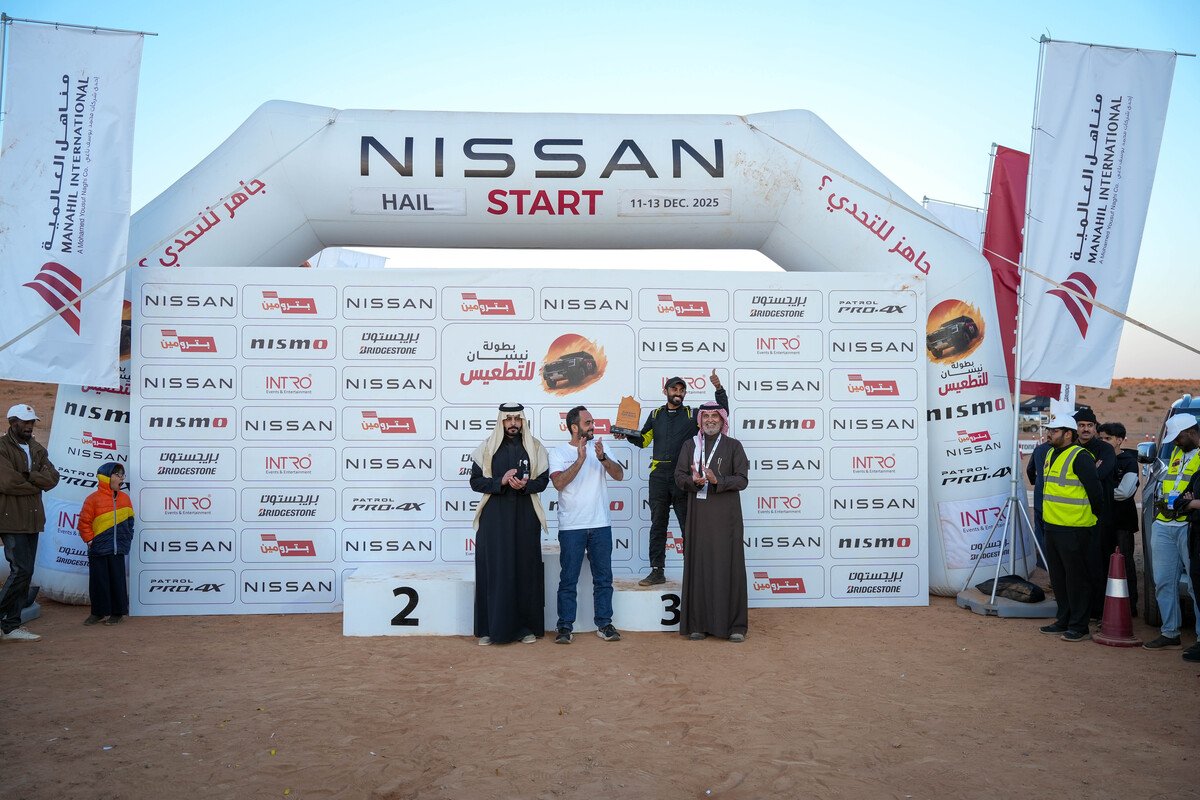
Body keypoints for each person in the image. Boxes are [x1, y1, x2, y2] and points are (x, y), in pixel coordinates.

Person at [625, 370, 728, 586]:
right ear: (666, 391)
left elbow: (720, 413)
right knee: (658, 525)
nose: (678, 393)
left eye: (682, 390)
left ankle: (693, 573)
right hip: (659, 477)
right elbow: (643, 441)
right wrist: (625, 433)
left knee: (688, 527)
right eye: (674, 389)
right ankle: (657, 571)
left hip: (683, 478)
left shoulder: (693, 415)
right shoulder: (655, 415)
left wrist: (719, 389)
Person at [469, 402, 550, 645]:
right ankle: (489, 629)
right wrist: (499, 481)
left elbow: (543, 481)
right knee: (495, 570)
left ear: (523, 421)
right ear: (501, 421)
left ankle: (525, 629)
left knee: (525, 570)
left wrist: (526, 485)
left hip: (526, 516)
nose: (513, 423)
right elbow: (475, 482)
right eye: (508, 419)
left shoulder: (535, 447)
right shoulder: (487, 447)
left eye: (517, 419)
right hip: (494, 518)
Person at [673, 402, 749, 642]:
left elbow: (742, 480)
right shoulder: (690, 446)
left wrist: (718, 480)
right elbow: (679, 476)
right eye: (705, 417)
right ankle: (698, 624)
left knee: (729, 567)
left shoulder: (734, 446)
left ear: (722, 420)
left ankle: (735, 626)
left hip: (727, 518)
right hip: (699, 516)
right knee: (700, 565)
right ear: (700, 421)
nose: (710, 420)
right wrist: (693, 481)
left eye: (715, 416)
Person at [548, 406, 625, 644]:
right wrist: (580, 460)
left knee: (603, 579)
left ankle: (604, 623)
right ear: (574, 427)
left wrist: (602, 458)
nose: (593, 426)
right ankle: (564, 626)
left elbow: (619, 475)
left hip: (600, 524)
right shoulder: (558, 452)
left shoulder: (601, 447)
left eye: (592, 422)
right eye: (588, 422)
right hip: (571, 526)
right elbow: (559, 483)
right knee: (568, 579)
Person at [1037, 415, 1105, 642]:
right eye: (1049, 430)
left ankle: (1079, 626)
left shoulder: (1080, 456)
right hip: (1053, 526)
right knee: (1059, 578)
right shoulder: (1050, 454)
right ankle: (1063, 619)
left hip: (1075, 528)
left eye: (1054, 431)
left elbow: (1095, 491)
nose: (1049, 434)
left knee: (1077, 579)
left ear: (1068, 434)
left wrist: (1094, 517)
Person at [0, 404, 60, 642]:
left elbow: (53, 478)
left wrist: (28, 476)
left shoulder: (37, 448)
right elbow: (7, 483)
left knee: (26, 573)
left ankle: (10, 626)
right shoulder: (2, 447)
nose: (29, 426)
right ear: (12, 422)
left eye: (32, 422)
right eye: (24, 422)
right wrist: (36, 484)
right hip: (10, 518)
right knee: (21, 570)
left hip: (33, 519)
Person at [1143, 413, 1200, 652]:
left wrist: (1190, 503)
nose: (1175, 442)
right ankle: (1170, 632)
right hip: (1165, 523)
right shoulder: (1176, 452)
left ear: (1191, 433)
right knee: (1163, 581)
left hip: (1190, 526)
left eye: (1178, 437)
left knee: (1196, 585)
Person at [78, 462, 135, 626]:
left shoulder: (125, 498)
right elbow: (83, 523)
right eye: (118, 474)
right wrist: (90, 540)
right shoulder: (92, 499)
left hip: (118, 549)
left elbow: (130, 521)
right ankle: (98, 613)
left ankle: (117, 613)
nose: (121, 478)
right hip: (98, 549)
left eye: (122, 475)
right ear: (106, 477)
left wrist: (127, 538)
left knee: (118, 581)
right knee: (98, 582)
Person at [1074, 407, 1116, 618]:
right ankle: (1079, 608)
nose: (1086, 429)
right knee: (1077, 564)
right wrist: (1091, 469)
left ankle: (1099, 611)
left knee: (1098, 563)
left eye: (1090, 425)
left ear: (1095, 427)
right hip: (1074, 516)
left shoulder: (1105, 449)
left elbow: (1100, 474)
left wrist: (1083, 473)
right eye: (1081, 425)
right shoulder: (1070, 449)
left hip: (1100, 515)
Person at [1097, 421, 1140, 616]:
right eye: (1101, 438)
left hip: (1123, 522)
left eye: (1108, 438)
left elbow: (1124, 492)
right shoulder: (1097, 459)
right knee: (1102, 563)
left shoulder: (1129, 462)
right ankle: (1104, 607)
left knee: (1124, 563)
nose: (1103, 441)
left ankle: (1129, 608)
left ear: (1120, 440)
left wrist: (1097, 492)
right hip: (1101, 521)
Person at [1171, 463, 1200, 662]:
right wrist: (1192, 503)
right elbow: (1179, 503)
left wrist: (1192, 503)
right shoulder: (1198, 475)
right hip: (1195, 540)